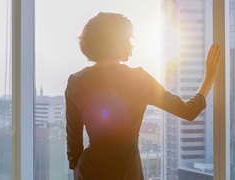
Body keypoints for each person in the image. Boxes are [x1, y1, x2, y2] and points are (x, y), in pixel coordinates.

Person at [65, 12, 221, 180]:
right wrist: (209, 78)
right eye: (127, 38)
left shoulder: (76, 82)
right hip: (126, 172)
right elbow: (188, 111)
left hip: (88, 172)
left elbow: (74, 149)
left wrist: (80, 171)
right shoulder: (138, 79)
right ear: (119, 42)